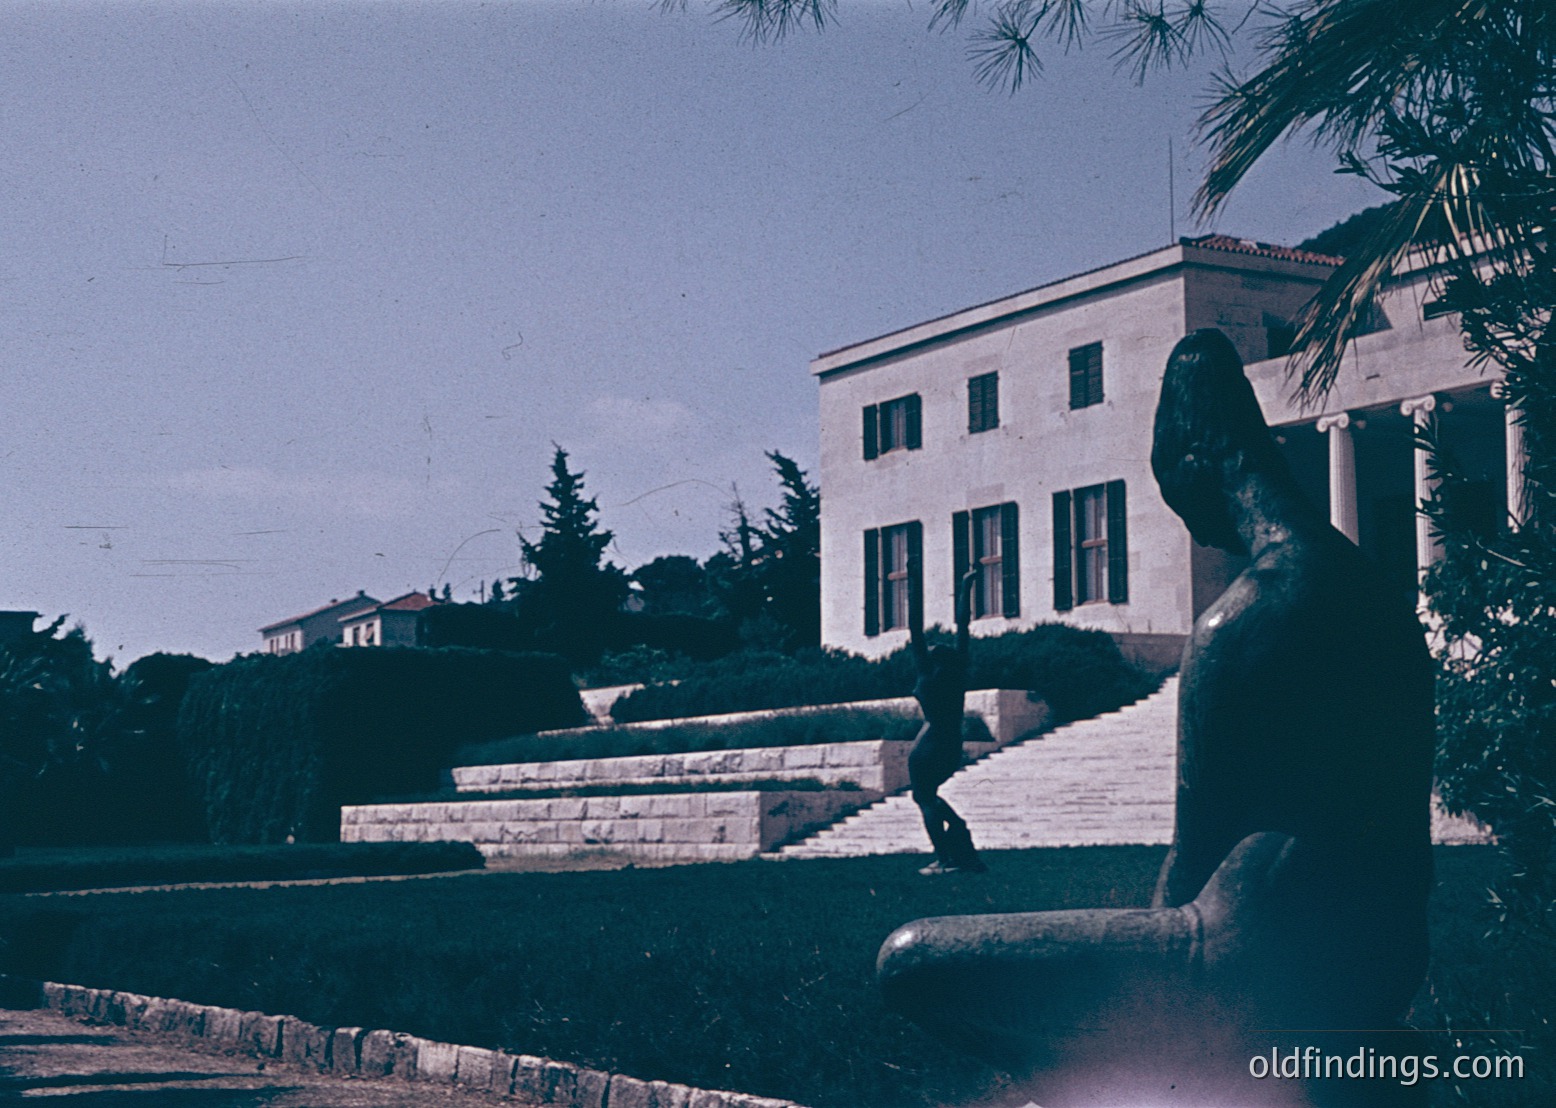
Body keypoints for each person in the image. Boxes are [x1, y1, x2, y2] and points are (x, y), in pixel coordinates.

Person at [908, 566, 985, 875]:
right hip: (952, 742)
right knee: (926, 795)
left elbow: (914, 627)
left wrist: (914, 585)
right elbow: (963, 626)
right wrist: (966, 588)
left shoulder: (928, 674)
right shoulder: (959, 671)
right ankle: (959, 835)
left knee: (924, 798)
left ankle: (945, 858)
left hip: (929, 743)